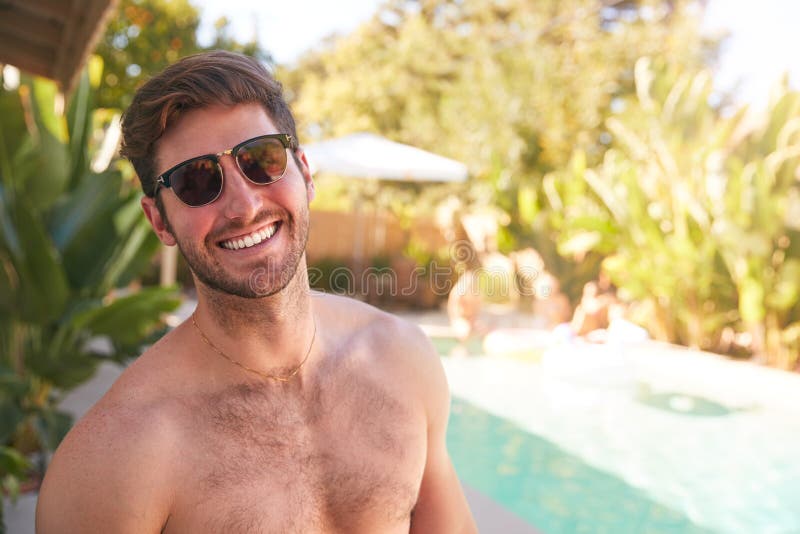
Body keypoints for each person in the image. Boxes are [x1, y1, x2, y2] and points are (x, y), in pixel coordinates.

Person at [36, 51, 477, 533]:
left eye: (261, 159)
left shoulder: (403, 362)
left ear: (304, 173)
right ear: (158, 219)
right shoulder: (115, 458)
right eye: (196, 180)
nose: (243, 205)